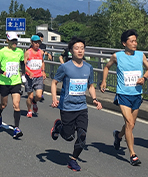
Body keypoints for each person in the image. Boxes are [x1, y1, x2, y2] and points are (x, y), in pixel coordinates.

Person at [50, 37, 102, 171]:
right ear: (71, 51)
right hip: (67, 106)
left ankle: (73, 160)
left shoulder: (88, 67)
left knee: (82, 135)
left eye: (82, 48)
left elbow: (90, 85)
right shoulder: (65, 67)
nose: (80, 51)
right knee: (68, 136)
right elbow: (54, 82)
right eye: (76, 48)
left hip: (82, 107)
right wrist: (54, 99)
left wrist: (95, 99)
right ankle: (58, 126)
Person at [101, 29, 148, 166]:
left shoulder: (141, 55)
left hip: (137, 95)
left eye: (136, 41)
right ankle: (132, 154)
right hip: (123, 94)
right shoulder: (117, 56)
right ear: (124, 43)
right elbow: (106, 67)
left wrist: (144, 78)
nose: (135, 43)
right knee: (129, 123)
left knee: (131, 125)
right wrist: (104, 81)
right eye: (132, 41)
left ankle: (118, 135)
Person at [0, 32, 25, 138]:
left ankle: (16, 128)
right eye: (12, 41)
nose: (15, 43)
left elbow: (22, 64)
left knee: (16, 104)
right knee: (3, 104)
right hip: (4, 82)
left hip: (16, 81)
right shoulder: (2, 52)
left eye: (16, 40)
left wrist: (24, 74)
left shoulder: (20, 52)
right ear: (8, 41)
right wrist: (3, 72)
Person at [24, 35, 46, 118]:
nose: (37, 44)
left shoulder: (41, 52)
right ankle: (29, 110)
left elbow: (42, 62)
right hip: (29, 77)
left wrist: (43, 71)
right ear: (32, 43)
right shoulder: (27, 52)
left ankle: (35, 102)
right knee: (30, 96)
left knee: (39, 96)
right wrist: (29, 72)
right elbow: (23, 65)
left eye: (38, 42)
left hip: (38, 76)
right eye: (35, 43)